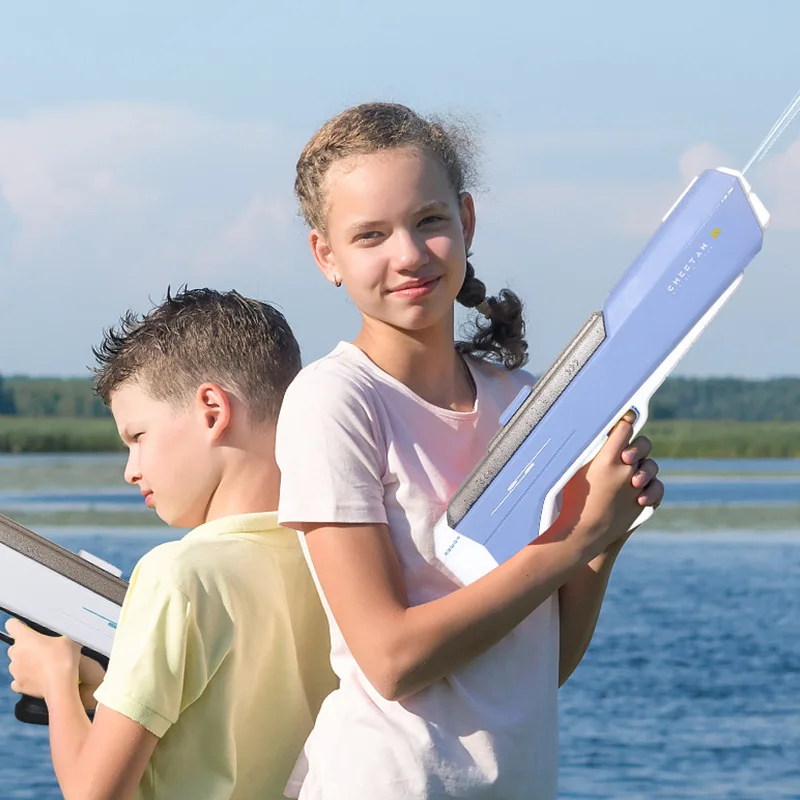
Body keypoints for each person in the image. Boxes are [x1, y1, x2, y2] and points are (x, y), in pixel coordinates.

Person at [275, 102, 665, 799]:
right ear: (326, 257)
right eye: (370, 235)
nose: (409, 254)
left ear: (467, 221)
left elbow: (540, 665)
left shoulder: (528, 401)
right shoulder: (333, 401)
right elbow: (390, 659)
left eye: (429, 221)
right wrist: (577, 539)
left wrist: (609, 532)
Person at [6, 287, 337, 800]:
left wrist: (55, 679)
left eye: (137, 437)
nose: (130, 470)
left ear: (211, 410)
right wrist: (99, 687)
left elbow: (93, 795)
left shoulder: (178, 575)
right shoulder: (340, 552)